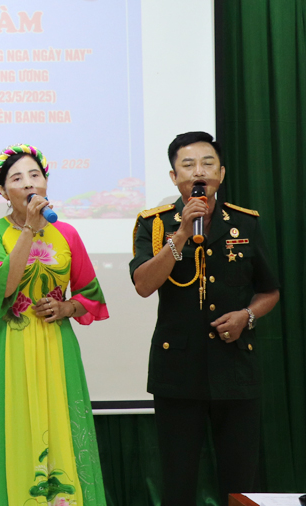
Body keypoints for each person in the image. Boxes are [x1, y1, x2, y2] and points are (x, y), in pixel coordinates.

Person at [130, 132, 280, 505]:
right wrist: (181, 233)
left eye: (208, 163)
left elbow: (270, 291)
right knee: (178, 482)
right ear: (174, 177)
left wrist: (247, 316)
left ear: (221, 173)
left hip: (235, 370)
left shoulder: (245, 223)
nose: (199, 171)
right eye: (188, 164)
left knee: (241, 482)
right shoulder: (154, 224)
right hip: (178, 372)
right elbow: (144, 285)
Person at [0, 144, 109, 506]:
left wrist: (66, 307)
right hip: (9, 345)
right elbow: (3, 287)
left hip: (56, 345)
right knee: (15, 430)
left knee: (60, 426)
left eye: (35, 175)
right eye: (17, 179)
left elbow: (91, 294)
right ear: (3, 192)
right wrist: (29, 228)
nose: (29, 183)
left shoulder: (68, 234)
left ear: (46, 183)